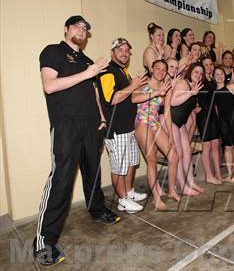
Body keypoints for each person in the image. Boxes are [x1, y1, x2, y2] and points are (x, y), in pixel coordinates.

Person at [33, 15, 120, 266]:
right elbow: (49, 86)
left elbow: (93, 92)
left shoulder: (87, 61)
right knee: (61, 180)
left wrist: (102, 118)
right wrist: (87, 73)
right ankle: (44, 241)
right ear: (66, 29)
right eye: (77, 26)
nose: (81, 30)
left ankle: (97, 210)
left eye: (85, 28)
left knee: (93, 173)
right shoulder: (52, 52)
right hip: (66, 124)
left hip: (92, 124)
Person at [97, 38, 148, 213]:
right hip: (116, 129)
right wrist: (133, 85)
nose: (124, 52)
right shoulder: (107, 72)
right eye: (120, 49)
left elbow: (130, 97)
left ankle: (129, 191)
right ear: (113, 52)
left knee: (132, 162)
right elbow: (112, 99)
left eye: (127, 50)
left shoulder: (123, 72)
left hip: (128, 127)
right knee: (119, 166)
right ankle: (123, 200)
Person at [132, 59, 180, 210]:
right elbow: (134, 99)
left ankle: (172, 190)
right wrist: (156, 93)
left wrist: (171, 134)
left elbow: (166, 113)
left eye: (163, 69)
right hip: (142, 121)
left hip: (154, 122)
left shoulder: (167, 87)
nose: (160, 71)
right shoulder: (143, 83)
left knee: (174, 156)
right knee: (151, 158)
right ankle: (156, 199)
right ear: (152, 69)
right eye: (157, 68)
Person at [171, 63, 204, 195]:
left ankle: (191, 182)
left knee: (187, 152)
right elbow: (173, 101)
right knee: (178, 153)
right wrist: (191, 93)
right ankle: (183, 186)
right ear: (190, 72)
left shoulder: (194, 86)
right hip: (172, 121)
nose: (198, 75)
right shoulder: (183, 83)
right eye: (196, 72)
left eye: (201, 74)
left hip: (181, 123)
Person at [196, 57, 223, 183]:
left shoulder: (213, 80)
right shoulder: (199, 81)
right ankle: (209, 175)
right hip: (203, 116)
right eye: (205, 64)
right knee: (206, 146)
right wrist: (194, 108)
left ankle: (218, 173)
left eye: (210, 64)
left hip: (213, 116)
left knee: (215, 146)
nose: (208, 66)